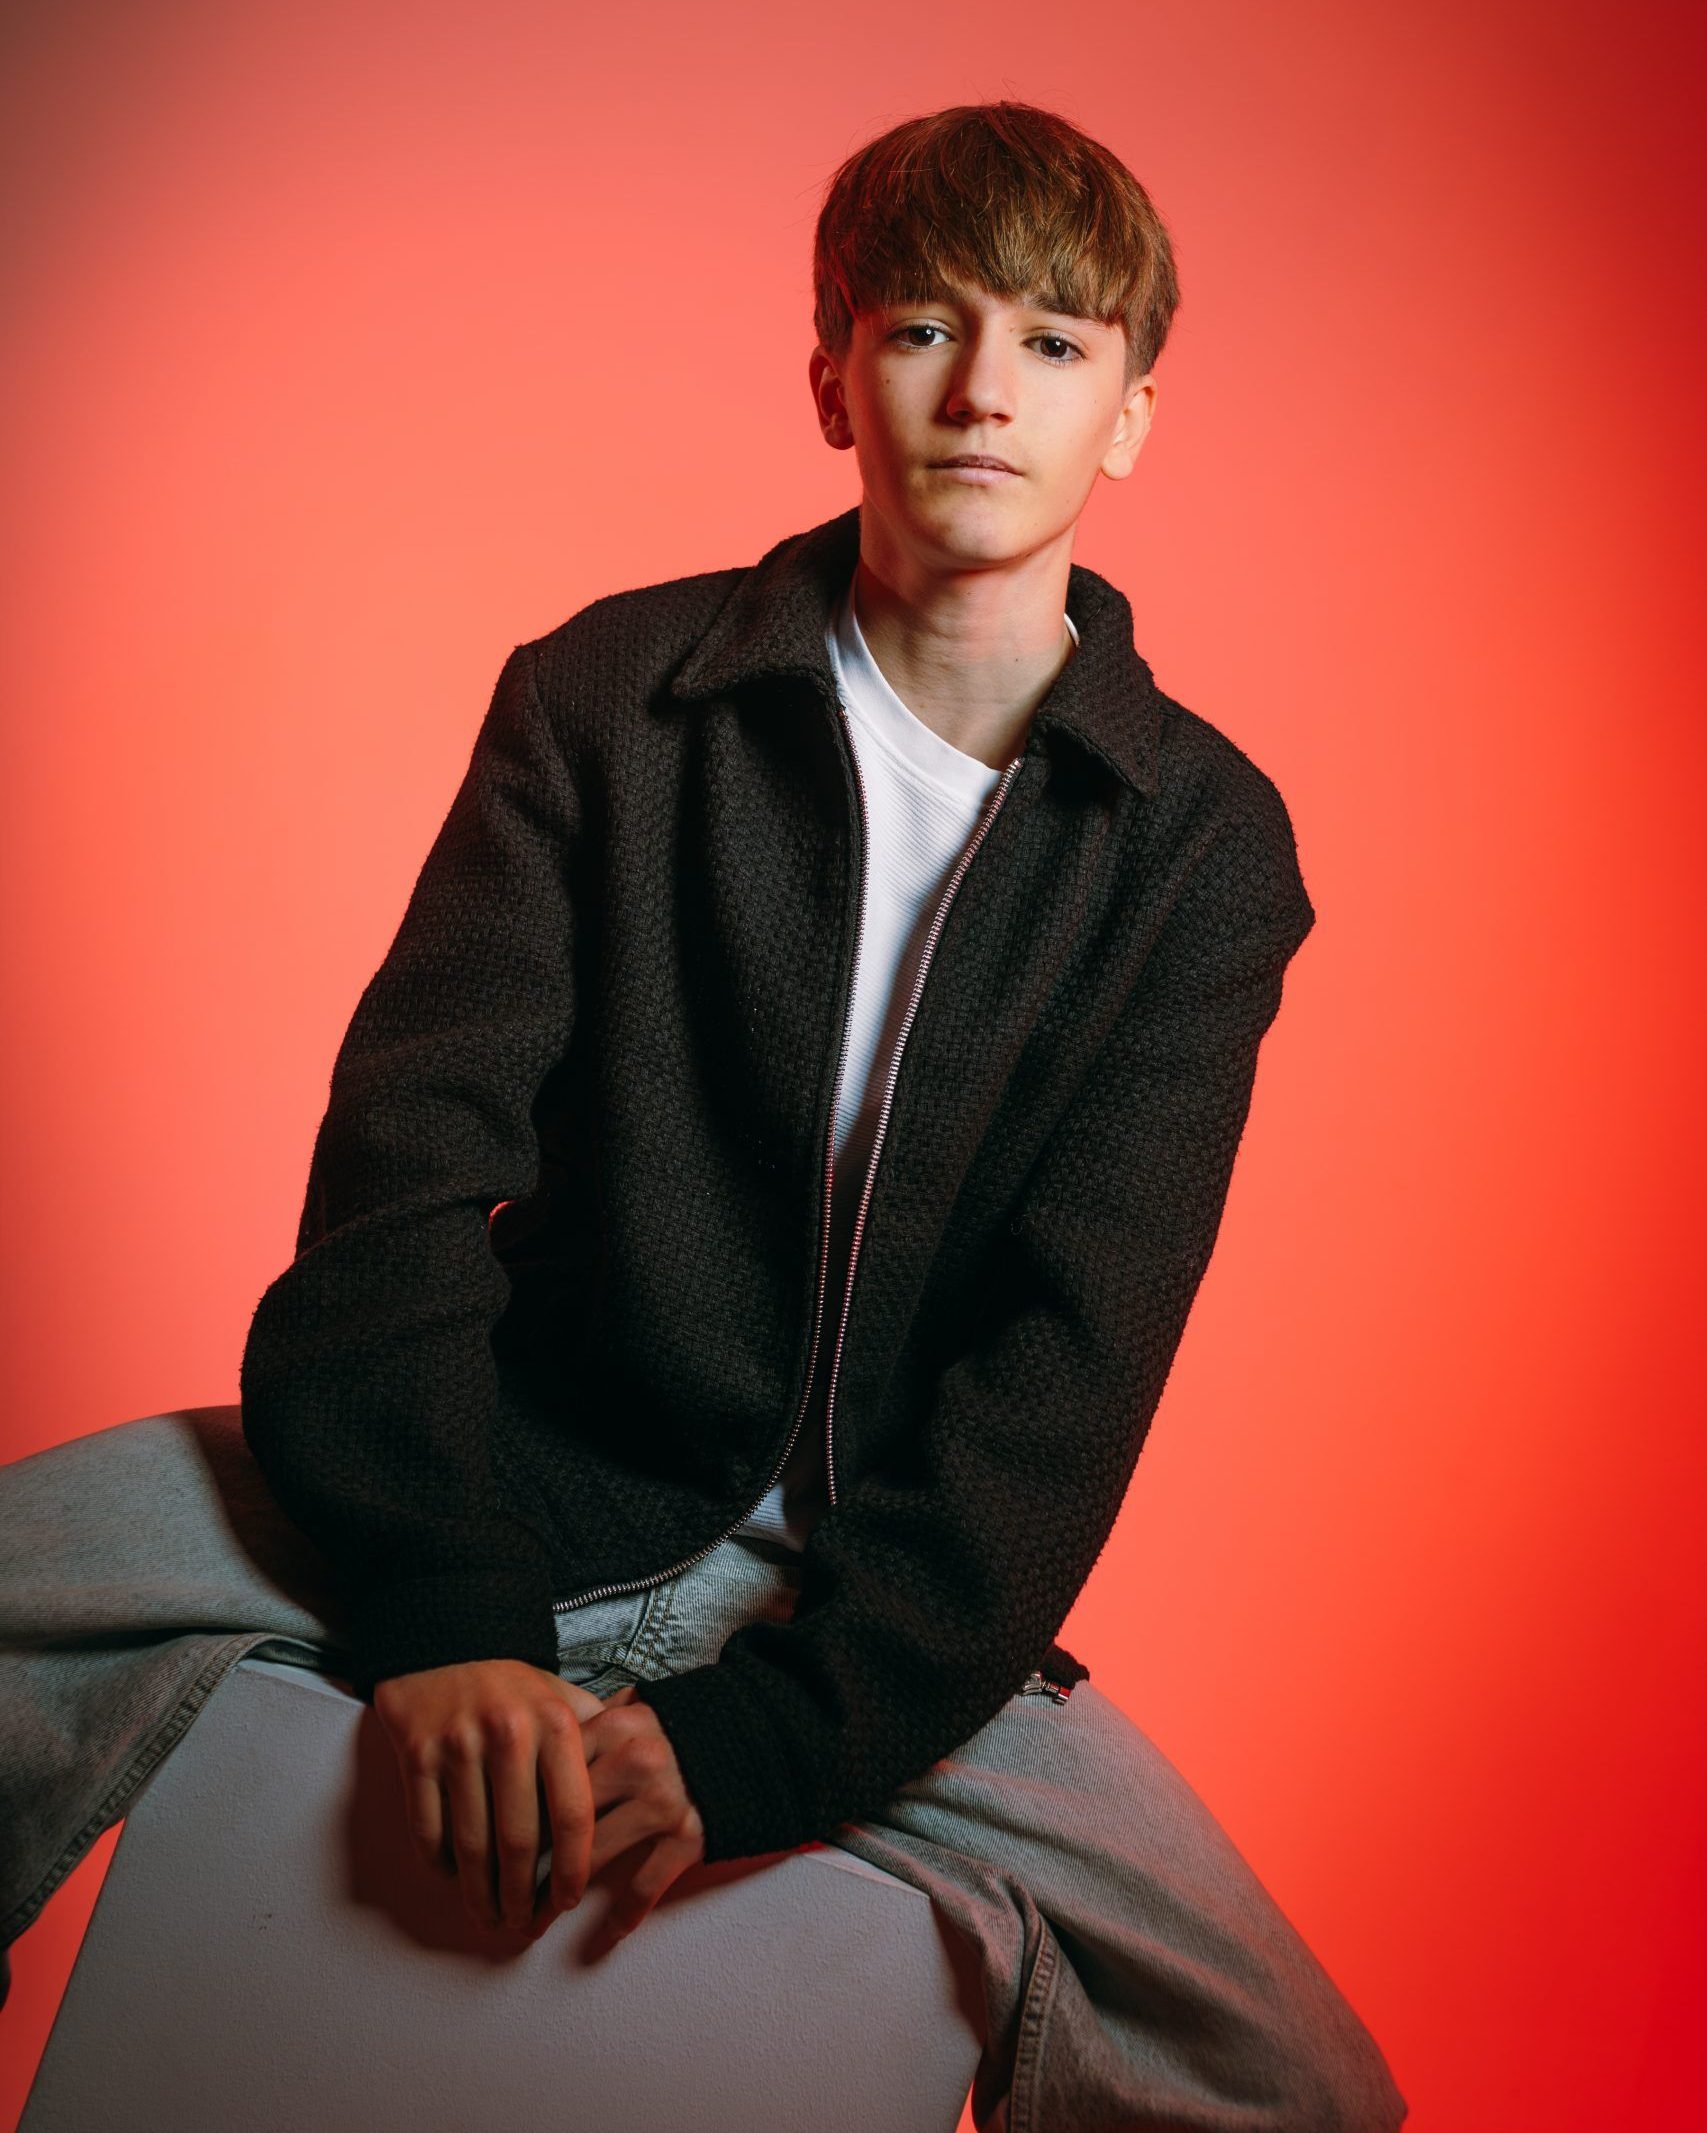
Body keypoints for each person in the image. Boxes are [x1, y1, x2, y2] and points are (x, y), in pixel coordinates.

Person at [1, 99, 1408, 2129]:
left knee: (1289, 2081)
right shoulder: (610, 694)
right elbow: (405, 1162)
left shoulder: (1199, 848)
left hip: (877, 1608)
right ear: (831, 377)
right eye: (920, 327)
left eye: (1050, 341)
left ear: (1129, 417)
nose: (982, 389)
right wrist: (442, 1603)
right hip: (518, 1463)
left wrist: (774, 1740)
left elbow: (1067, 1367)